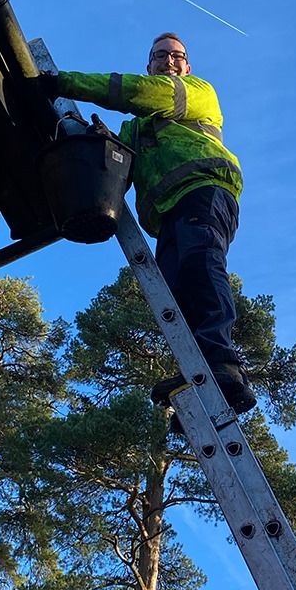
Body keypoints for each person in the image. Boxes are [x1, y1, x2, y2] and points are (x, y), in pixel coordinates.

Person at [46, 33, 255, 415]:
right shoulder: (136, 131)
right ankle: (199, 382)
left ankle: (223, 364)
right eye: (161, 56)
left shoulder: (196, 92)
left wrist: (64, 83)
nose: (170, 61)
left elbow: (137, 92)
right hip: (170, 211)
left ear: (187, 67)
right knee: (176, 292)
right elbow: (114, 163)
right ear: (151, 63)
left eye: (177, 56)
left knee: (201, 265)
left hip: (203, 191)